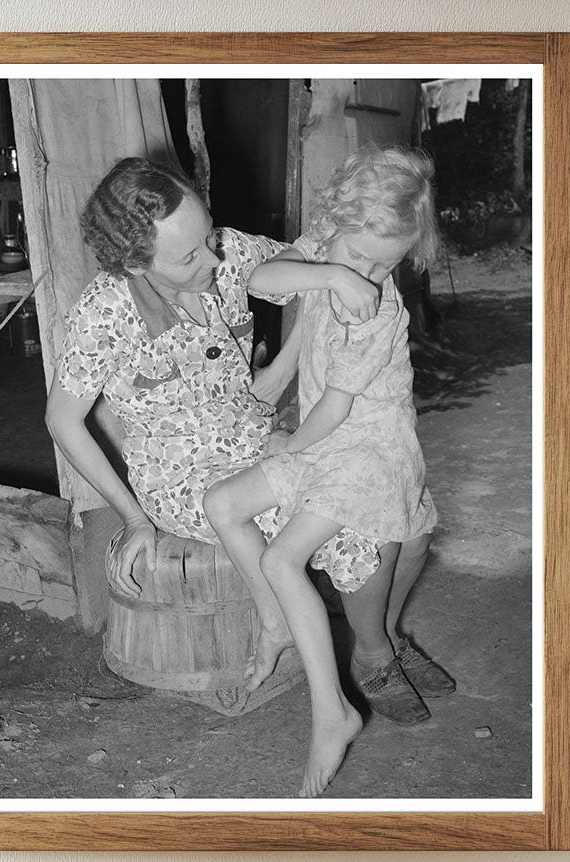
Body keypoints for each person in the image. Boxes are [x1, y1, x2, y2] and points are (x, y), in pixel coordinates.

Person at [45, 156, 452, 732]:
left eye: (209, 236)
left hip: (258, 435)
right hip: (183, 472)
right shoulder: (104, 314)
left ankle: (379, 638)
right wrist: (132, 517)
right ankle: (374, 657)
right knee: (360, 525)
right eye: (190, 256)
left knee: (409, 517)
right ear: (136, 262)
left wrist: (286, 364)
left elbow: (313, 266)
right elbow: (63, 421)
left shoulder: (227, 251)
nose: (214, 259)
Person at [203, 147, 445, 797]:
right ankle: (281, 622)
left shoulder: (379, 312)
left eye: (386, 266)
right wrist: (330, 274)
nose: (370, 278)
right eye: (360, 258)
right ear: (335, 223)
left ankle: (333, 710)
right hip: (325, 442)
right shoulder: (320, 252)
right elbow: (262, 278)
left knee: (286, 558)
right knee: (221, 503)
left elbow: (336, 410)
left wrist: (287, 448)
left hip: (368, 450)